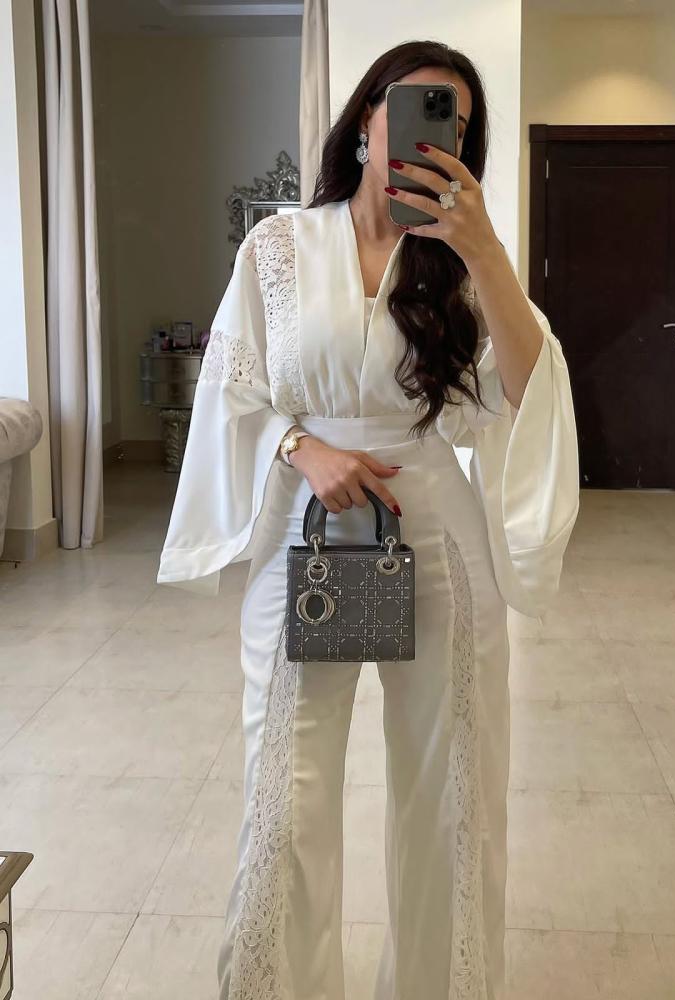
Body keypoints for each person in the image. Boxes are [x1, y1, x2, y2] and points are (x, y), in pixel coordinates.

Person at [156, 39, 580, 1000]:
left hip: (438, 543)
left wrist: (484, 248)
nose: (437, 133)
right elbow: (231, 386)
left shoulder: (460, 262)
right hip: (303, 535)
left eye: (456, 122)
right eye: (420, 107)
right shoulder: (276, 248)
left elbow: (528, 390)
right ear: (365, 122)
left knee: (450, 793)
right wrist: (302, 447)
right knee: (286, 792)